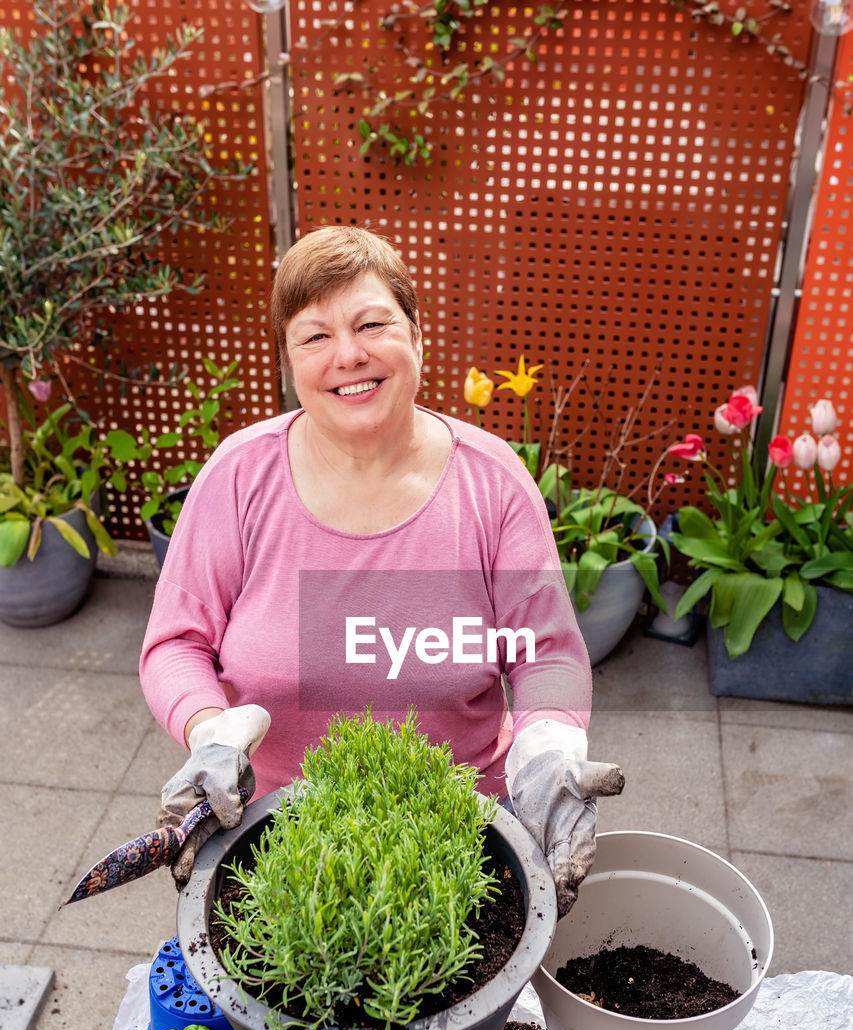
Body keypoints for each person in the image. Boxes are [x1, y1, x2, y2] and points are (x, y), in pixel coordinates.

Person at [139, 225, 623, 910]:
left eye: (371, 323)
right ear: (289, 359)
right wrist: (208, 731)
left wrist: (546, 747)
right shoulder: (240, 476)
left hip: (461, 837)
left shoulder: (492, 484)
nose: (348, 355)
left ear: (416, 334)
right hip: (277, 838)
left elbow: (543, 651)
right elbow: (176, 645)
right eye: (314, 337)